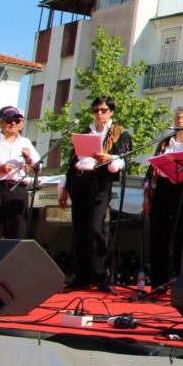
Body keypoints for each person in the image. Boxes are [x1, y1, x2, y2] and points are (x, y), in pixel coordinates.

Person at [60, 96, 132, 291]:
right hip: (80, 180)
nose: (98, 113)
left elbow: (126, 162)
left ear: (111, 111)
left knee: (95, 228)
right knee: (80, 228)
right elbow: (72, 161)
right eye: (95, 110)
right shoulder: (86, 132)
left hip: (100, 181)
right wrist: (64, 188)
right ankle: (82, 276)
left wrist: (109, 158)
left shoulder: (120, 134)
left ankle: (101, 276)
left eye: (102, 109)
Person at [142, 106, 183, 289]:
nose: (180, 121)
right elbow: (151, 172)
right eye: (178, 117)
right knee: (158, 236)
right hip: (162, 188)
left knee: (182, 237)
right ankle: (158, 281)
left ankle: (182, 280)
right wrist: (147, 197)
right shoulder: (164, 144)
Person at [0, 105, 40, 239]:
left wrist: (28, 158)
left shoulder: (25, 142)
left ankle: (13, 260)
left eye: (17, 120)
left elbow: (35, 170)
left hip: (18, 189)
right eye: (9, 120)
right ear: (0, 123)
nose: (13, 123)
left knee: (17, 232)